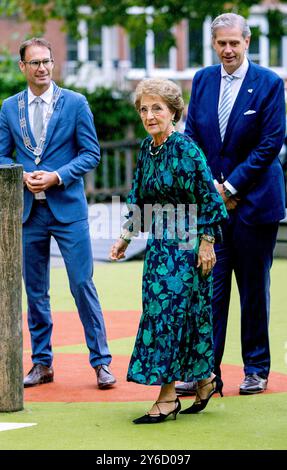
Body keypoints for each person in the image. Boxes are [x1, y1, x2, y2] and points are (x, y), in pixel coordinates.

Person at [176, 13, 286, 397]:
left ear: (247, 41)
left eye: (234, 43)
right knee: (210, 292)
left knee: (253, 290)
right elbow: (192, 137)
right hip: (213, 208)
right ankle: (206, 372)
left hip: (256, 205)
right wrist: (211, 187)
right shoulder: (203, 79)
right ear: (213, 43)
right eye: (221, 43)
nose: (227, 50)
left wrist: (233, 186)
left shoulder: (270, 84)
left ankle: (255, 368)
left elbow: (271, 143)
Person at [0, 38, 116, 390]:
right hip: (28, 213)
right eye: (34, 63)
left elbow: (91, 153)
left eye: (47, 62)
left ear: (53, 64)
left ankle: (101, 363)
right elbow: (2, 156)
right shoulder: (8, 108)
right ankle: (42, 363)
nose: (42, 68)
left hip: (68, 210)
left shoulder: (76, 103)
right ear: (22, 67)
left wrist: (57, 176)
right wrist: (21, 174)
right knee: (35, 292)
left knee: (82, 284)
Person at [110, 78, 227, 424]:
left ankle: (167, 398)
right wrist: (125, 238)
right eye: (144, 109)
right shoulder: (148, 149)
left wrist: (207, 242)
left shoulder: (187, 149)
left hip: (188, 245)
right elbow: (137, 197)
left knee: (166, 317)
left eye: (157, 108)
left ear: (173, 111)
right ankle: (205, 380)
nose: (149, 115)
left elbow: (209, 197)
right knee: (182, 316)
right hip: (160, 246)